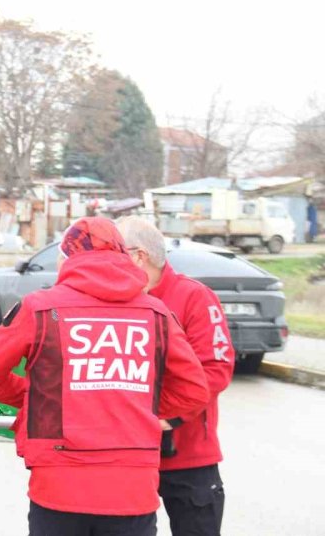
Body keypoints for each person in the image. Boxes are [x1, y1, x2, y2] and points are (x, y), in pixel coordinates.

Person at [0, 217, 210, 536]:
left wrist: (42, 398)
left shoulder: (40, 309)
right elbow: (194, 391)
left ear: (67, 259)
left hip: (58, 488)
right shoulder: (156, 314)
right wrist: (139, 405)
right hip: (132, 491)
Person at [117, 217, 235, 536]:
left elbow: (216, 368)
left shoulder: (194, 297)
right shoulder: (116, 300)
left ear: (138, 256)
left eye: (116, 251)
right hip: (126, 457)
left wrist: (167, 416)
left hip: (188, 456)